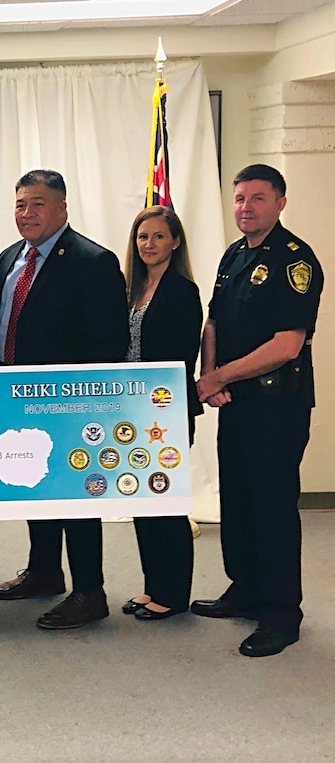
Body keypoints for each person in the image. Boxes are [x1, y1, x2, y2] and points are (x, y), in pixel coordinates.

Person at [0, 169, 128, 630]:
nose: (28, 213)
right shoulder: (10, 258)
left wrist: (85, 404)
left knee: (75, 498)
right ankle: (45, 571)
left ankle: (90, 591)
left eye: (39, 204)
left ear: (63, 208)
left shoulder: (93, 260)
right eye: (21, 204)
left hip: (70, 407)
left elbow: (110, 341)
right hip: (16, 399)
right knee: (36, 487)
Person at [192, 164, 323, 657]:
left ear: (280, 203)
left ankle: (281, 614)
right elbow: (214, 321)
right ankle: (244, 589)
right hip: (237, 400)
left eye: (258, 199)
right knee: (240, 502)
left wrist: (220, 377)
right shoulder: (233, 255)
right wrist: (212, 375)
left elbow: (287, 345)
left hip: (277, 404)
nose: (246, 207)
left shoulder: (295, 260)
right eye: (240, 198)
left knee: (271, 508)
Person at [120, 205, 202, 621]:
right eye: (142, 237)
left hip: (164, 413)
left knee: (166, 503)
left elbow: (182, 357)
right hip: (131, 411)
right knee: (142, 498)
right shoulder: (131, 290)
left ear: (175, 241)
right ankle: (153, 585)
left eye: (157, 236)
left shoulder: (182, 291)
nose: (148, 244)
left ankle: (173, 593)